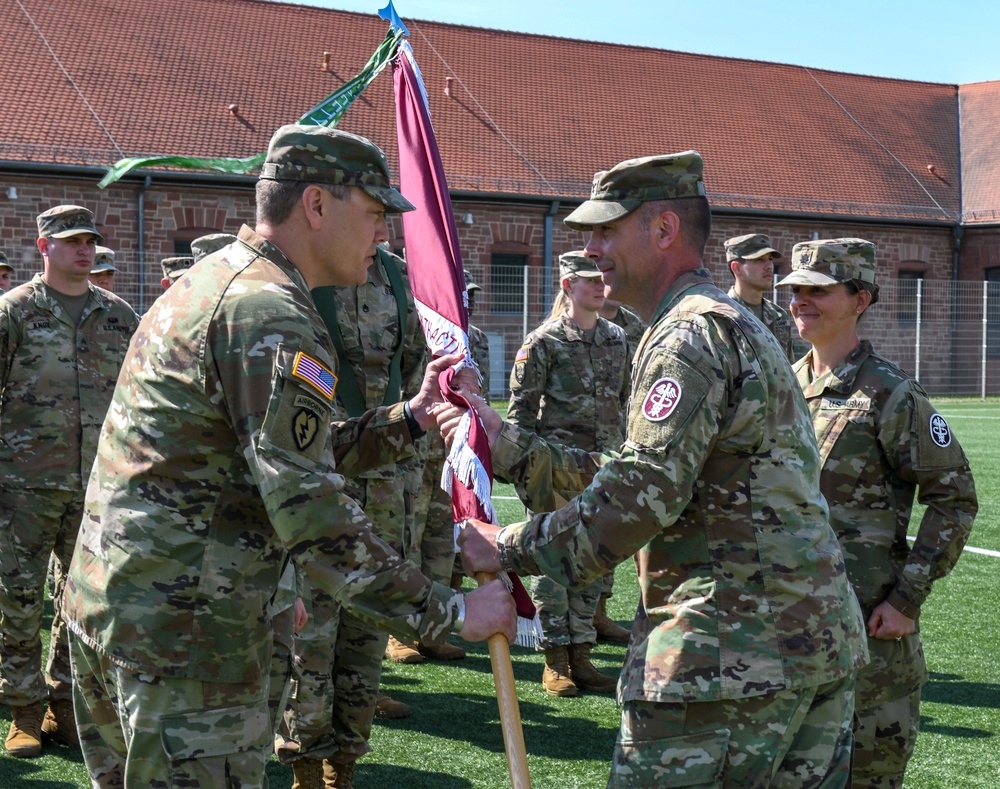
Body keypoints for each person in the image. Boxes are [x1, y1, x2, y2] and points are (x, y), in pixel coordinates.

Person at [61, 125, 515, 788]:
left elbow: (270, 450)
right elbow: (314, 514)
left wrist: (409, 419)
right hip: (187, 639)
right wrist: (447, 611)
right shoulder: (270, 311)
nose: (382, 236)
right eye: (373, 213)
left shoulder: (221, 281)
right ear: (317, 206)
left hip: (127, 610)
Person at [447, 151, 869, 788]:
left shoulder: (685, 334)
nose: (591, 251)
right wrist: (509, 445)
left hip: (725, 656)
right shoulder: (723, 323)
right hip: (805, 644)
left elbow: (637, 498)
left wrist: (504, 547)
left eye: (605, 231)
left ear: (664, 230)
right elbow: (654, 469)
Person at [777, 238, 977, 789]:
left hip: (869, 637)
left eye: (817, 290)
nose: (800, 301)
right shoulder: (782, 386)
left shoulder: (890, 395)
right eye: (795, 290)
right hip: (787, 634)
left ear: (859, 299)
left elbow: (954, 497)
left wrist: (906, 598)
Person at [276, 244, 443, 787]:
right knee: (312, 638)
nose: (378, 223)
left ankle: (343, 765)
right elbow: (300, 372)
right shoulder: (306, 272)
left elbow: (417, 360)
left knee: (368, 631)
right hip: (324, 470)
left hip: (391, 476)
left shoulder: (396, 275)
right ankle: (304, 763)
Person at [0, 205, 139, 758]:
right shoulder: (13, 312)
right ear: (44, 246)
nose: (83, 250)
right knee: (18, 601)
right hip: (22, 485)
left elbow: (138, 401)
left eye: (90, 241)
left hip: (96, 488)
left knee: (85, 603)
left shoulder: (119, 315)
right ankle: (24, 712)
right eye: (70, 241)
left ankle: (65, 703)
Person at [506, 250, 629, 696]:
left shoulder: (619, 337)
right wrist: (526, 467)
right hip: (555, 468)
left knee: (596, 558)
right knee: (554, 561)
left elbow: (627, 401)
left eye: (602, 279)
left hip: (604, 466)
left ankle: (583, 654)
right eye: (588, 280)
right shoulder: (544, 342)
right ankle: (555, 658)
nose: (599, 286)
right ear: (567, 286)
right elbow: (520, 412)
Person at [594, 293, 644, 644]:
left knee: (610, 528)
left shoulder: (631, 328)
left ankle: (598, 612)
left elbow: (633, 386)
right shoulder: (550, 337)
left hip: (614, 440)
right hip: (571, 448)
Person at [724, 233, 795, 362]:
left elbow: (789, 370)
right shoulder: (723, 316)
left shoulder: (779, 316)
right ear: (737, 268)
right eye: (759, 259)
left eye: (770, 259)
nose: (769, 266)